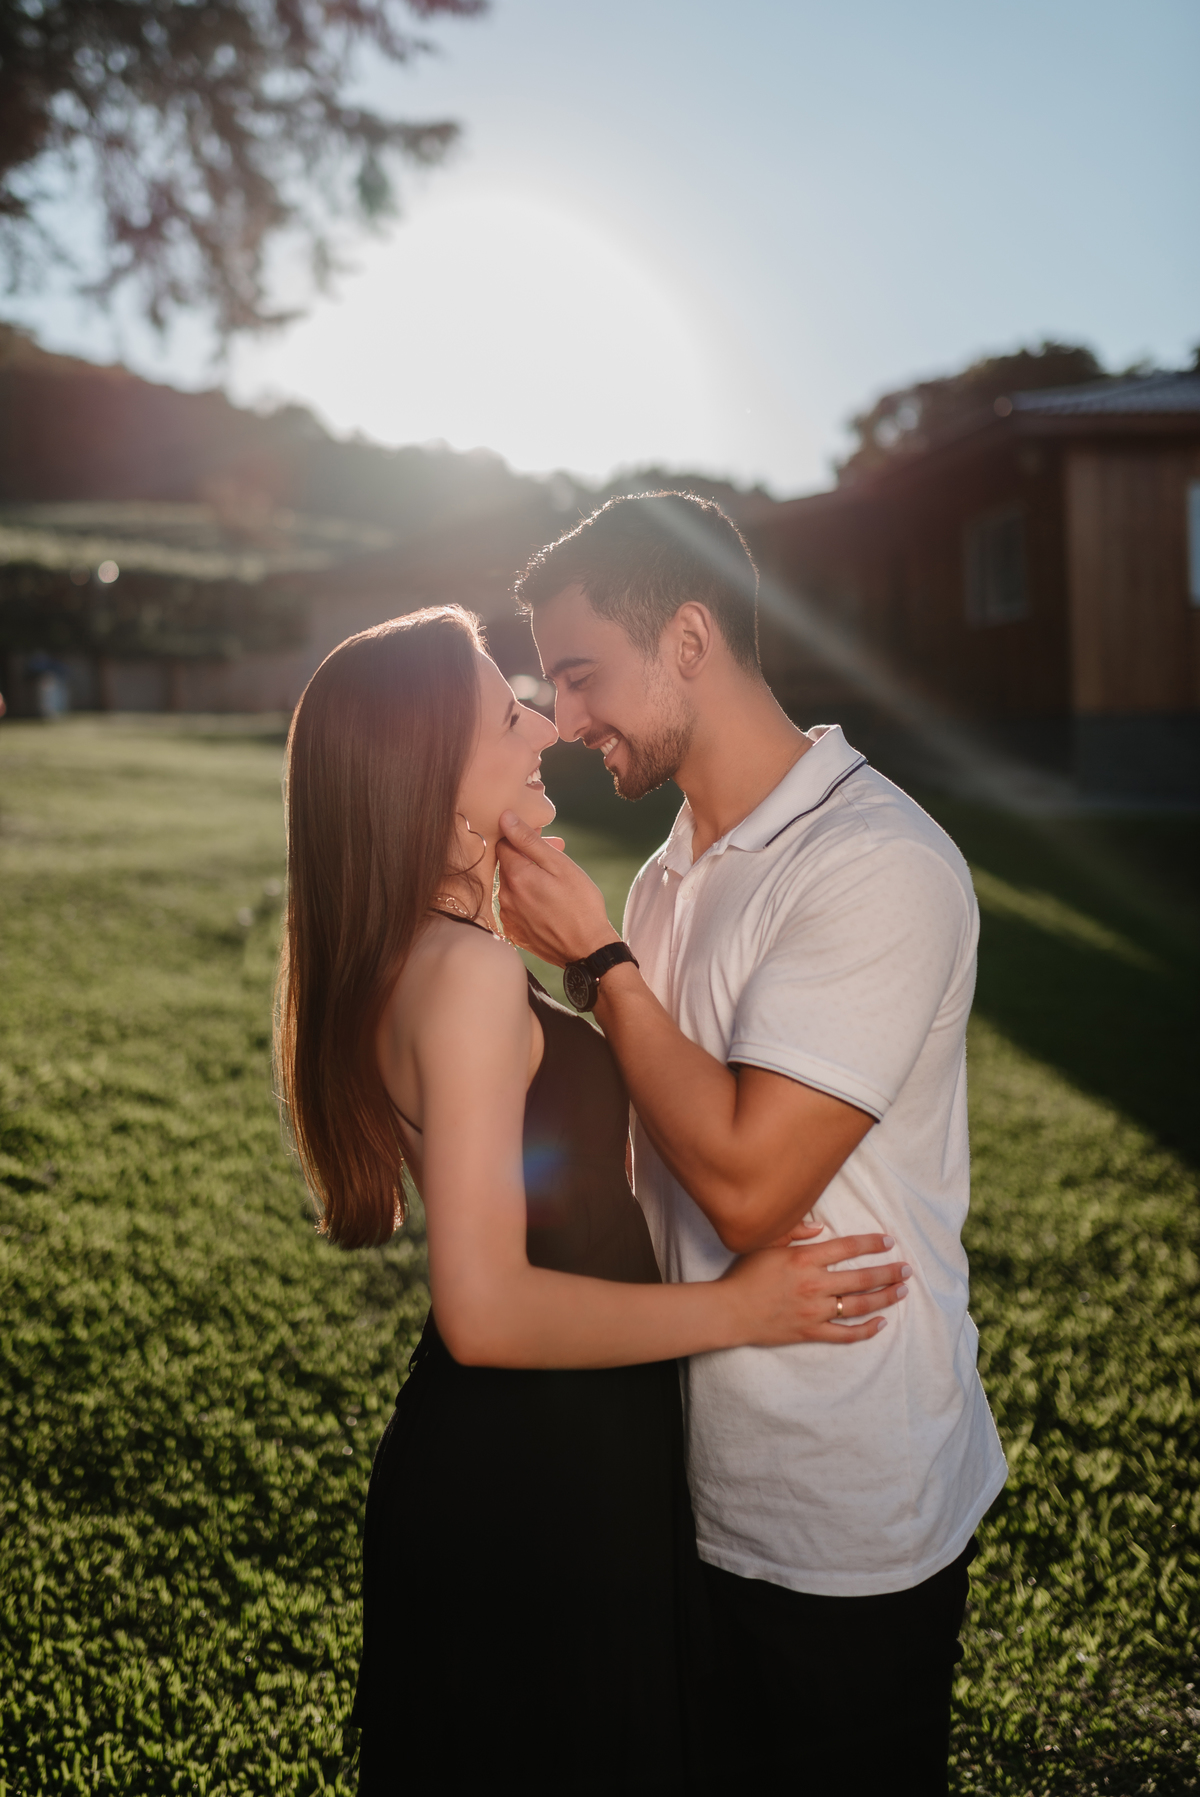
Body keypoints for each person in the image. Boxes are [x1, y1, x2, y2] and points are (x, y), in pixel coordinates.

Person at [273, 605, 908, 1796]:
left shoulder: (435, 949)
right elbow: (486, 1311)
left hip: (551, 1453)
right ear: (431, 776)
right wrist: (744, 1309)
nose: (542, 729)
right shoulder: (458, 974)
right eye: (505, 712)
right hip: (531, 1478)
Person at [496, 493, 1009, 1795]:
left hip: (845, 1509)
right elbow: (643, 1151)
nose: (561, 722)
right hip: (694, 1484)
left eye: (577, 675)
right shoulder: (670, 864)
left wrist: (597, 962)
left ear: (685, 639)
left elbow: (745, 1188)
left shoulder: (875, 861)